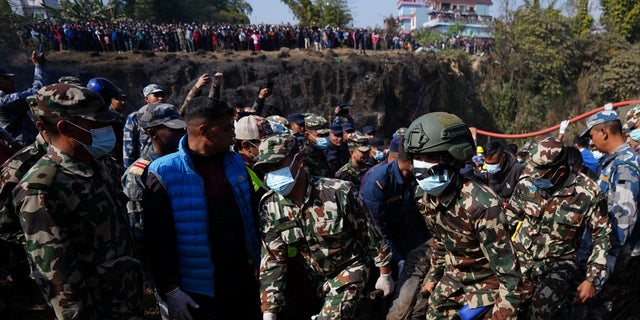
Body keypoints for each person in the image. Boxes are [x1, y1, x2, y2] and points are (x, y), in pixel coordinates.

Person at [12, 83, 144, 319]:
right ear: (65, 128)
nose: (107, 128)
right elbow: (60, 282)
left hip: (124, 300)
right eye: (98, 125)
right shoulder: (42, 190)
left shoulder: (101, 164)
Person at [142, 96, 261, 320]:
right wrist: (170, 289)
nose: (232, 134)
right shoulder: (165, 172)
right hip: (198, 290)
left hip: (240, 281)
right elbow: (157, 237)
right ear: (204, 130)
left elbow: (251, 215)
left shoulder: (235, 163)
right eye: (226, 129)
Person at [254, 134, 394, 320]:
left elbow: (370, 234)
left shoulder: (338, 192)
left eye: (277, 165)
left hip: (351, 271)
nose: (272, 174)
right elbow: (273, 259)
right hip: (317, 282)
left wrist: (385, 273)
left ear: (299, 161)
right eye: (267, 169)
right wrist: (269, 311)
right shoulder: (270, 205)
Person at [404, 112, 522, 319]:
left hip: (487, 284)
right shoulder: (423, 195)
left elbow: (509, 276)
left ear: (454, 158)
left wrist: (502, 313)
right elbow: (440, 241)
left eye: (430, 158)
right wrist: (433, 277)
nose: (420, 165)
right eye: (417, 157)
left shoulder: (482, 206)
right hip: (454, 276)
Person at [506, 137, 610, 319]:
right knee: (507, 309)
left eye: (539, 175)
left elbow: (602, 237)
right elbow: (509, 220)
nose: (533, 177)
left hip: (557, 265)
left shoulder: (588, 193)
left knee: (539, 313)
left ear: (560, 171)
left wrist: (591, 279)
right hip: (521, 258)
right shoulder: (526, 182)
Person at [359, 138, 432, 320]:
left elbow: (417, 218)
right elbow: (377, 232)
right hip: (384, 252)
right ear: (411, 161)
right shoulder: (377, 183)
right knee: (386, 304)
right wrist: (397, 261)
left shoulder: (417, 176)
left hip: (412, 245)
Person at [579, 110, 640, 319]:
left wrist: (599, 270)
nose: (592, 143)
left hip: (622, 260)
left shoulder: (624, 167)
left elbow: (621, 223)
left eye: (592, 136)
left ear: (604, 132)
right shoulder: (614, 162)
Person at [122, 103, 186, 236]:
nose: (182, 132)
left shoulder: (184, 162)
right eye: (174, 129)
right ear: (152, 133)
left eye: (182, 127)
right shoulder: (139, 173)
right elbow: (137, 225)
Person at [0, 51, 48, 146]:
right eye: (7, 79)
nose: (12, 81)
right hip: (26, 151)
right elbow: (38, 92)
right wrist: (39, 66)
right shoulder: (5, 102)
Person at [122, 83, 167, 167]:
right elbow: (128, 146)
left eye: (162, 96)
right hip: (146, 165)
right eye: (156, 95)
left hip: (167, 164)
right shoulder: (135, 118)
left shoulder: (170, 117)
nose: (161, 98)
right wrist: (129, 171)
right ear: (147, 99)